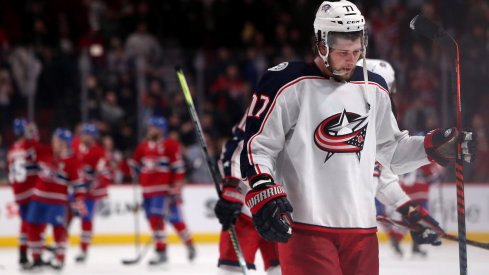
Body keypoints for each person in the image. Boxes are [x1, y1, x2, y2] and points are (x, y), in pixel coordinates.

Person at [239, 1, 475, 274]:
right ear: (321, 44)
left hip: (362, 232)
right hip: (307, 228)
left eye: (356, 51)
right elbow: (258, 147)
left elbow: (391, 152)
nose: (351, 60)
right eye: (343, 53)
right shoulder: (286, 83)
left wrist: (433, 147)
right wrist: (264, 191)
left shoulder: (374, 86)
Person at [214, 114, 281, 275]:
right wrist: (232, 189)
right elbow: (237, 147)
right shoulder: (267, 102)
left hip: (286, 213)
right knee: (232, 270)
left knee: (283, 270)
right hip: (248, 211)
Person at [129, 116, 190, 265]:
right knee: (154, 220)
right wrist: (131, 169)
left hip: (164, 190)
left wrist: (176, 185)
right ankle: (176, 246)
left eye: (154, 127)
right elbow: (134, 165)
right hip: (147, 190)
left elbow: (178, 168)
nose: (151, 130)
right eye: (150, 127)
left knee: (169, 219)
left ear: (162, 130)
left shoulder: (170, 145)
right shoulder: (143, 146)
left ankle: (165, 250)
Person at [26, 128, 86, 270]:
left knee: (58, 230)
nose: (54, 142)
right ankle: (36, 258)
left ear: (66, 143)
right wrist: (30, 136)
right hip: (38, 198)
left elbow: (79, 186)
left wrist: (78, 201)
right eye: (54, 139)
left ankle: (60, 258)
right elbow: (30, 151)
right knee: (33, 226)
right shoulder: (45, 151)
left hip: (57, 201)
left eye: (57, 140)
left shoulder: (72, 161)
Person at [70, 123, 110, 263]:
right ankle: (59, 245)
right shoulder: (74, 146)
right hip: (74, 190)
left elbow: (104, 174)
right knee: (65, 217)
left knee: (86, 220)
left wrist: (94, 184)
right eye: (83, 134)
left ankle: (83, 249)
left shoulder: (99, 152)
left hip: (89, 194)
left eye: (88, 135)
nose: (85, 137)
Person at [6, 118, 42, 268]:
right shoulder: (29, 146)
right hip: (30, 190)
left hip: (19, 191)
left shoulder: (12, 149)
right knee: (32, 223)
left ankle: (23, 253)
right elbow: (40, 163)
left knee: (25, 222)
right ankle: (35, 254)